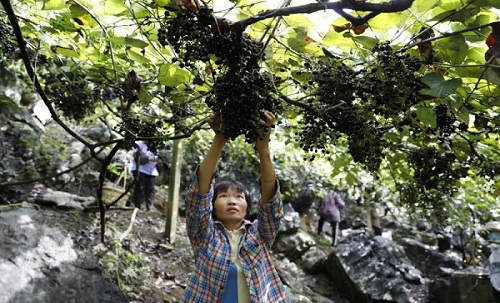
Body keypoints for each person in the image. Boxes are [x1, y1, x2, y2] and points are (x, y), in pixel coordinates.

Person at [181, 111, 290, 303]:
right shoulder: (204, 234)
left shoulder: (260, 234)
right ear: (212, 206)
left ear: (248, 208)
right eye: (223, 196)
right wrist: (219, 139)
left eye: (239, 197)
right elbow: (199, 195)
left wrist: (263, 147)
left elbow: (271, 204)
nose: (232, 200)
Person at [131, 141, 159, 211]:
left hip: (151, 171)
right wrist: (146, 158)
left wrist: (147, 158)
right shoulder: (139, 144)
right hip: (140, 169)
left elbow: (156, 158)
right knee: (139, 188)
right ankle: (137, 207)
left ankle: (149, 207)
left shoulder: (155, 147)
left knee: (150, 189)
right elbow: (136, 156)